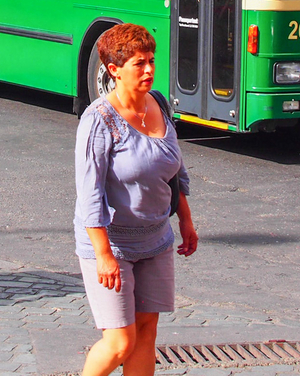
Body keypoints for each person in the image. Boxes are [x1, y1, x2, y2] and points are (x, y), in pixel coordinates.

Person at [74, 23, 197, 376]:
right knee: (120, 343)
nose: (149, 70)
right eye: (138, 64)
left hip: (155, 239)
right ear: (114, 70)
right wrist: (103, 255)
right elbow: (90, 194)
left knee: (146, 335)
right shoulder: (98, 120)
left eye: (151, 61)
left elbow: (173, 171)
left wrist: (186, 220)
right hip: (112, 243)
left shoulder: (158, 103)